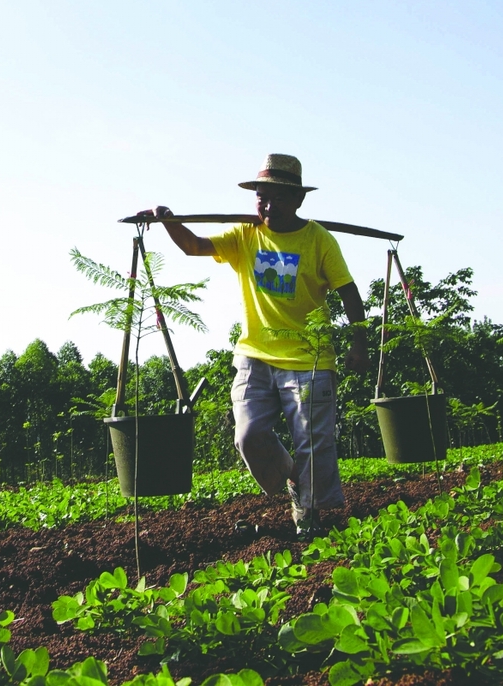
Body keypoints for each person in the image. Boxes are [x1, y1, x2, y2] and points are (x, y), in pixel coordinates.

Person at [143, 153, 368, 538]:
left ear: (298, 201)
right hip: (254, 354)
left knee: (313, 441)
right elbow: (195, 246)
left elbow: (349, 292)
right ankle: (294, 477)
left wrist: (359, 343)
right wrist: (168, 219)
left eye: (278, 197)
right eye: (261, 197)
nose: (268, 205)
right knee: (248, 434)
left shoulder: (318, 240)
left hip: (307, 356)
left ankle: (309, 515)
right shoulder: (247, 235)